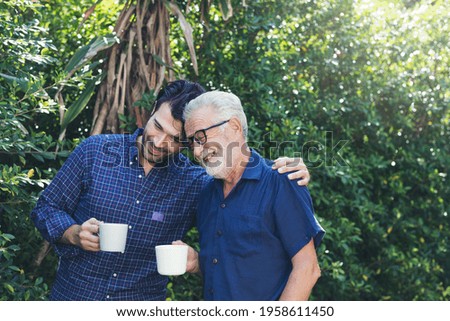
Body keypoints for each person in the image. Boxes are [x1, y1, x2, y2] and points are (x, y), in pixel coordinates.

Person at [30, 80, 311, 301]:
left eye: (176, 139)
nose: (159, 141)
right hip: (74, 300)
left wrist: (281, 170)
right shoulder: (95, 151)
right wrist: (73, 233)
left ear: (187, 143)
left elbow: (238, 183)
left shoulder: (195, 184)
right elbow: (45, 208)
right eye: (157, 126)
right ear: (150, 111)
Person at [181, 90, 325, 300]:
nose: (196, 151)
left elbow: (308, 269)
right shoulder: (206, 195)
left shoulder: (281, 181)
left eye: (201, 137)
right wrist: (197, 263)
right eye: (192, 142)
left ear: (234, 127)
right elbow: (234, 269)